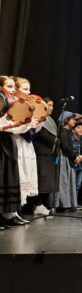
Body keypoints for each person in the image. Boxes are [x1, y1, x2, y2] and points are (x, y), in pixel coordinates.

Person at [0, 76, 29, 227]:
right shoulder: (2, 101)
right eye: (9, 86)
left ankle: (9, 214)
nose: (13, 90)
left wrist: (22, 124)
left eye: (13, 86)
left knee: (8, 178)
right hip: (2, 140)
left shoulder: (7, 102)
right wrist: (11, 125)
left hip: (7, 140)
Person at [13, 77, 41, 208]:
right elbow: (13, 128)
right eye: (25, 89)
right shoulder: (13, 105)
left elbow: (33, 129)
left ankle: (16, 210)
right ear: (16, 89)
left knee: (26, 173)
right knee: (19, 174)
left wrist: (36, 122)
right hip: (16, 142)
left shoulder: (27, 106)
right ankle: (11, 211)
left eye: (29, 89)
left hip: (26, 144)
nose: (28, 92)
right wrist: (28, 125)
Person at [48, 112, 82, 211]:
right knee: (62, 181)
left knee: (67, 181)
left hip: (68, 157)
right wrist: (74, 157)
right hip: (63, 158)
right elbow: (66, 147)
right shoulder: (63, 131)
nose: (74, 121)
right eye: (73, 119)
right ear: (66, 120)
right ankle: (60, 204)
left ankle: (67, 203)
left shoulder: (68, 131)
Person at [31, 97, 56, 216]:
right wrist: (57, 142)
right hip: (41, 154)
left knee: (47, 181)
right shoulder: (39, 118)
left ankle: (43, 204)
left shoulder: (50, 119)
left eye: (52, 105)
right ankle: (38, 204)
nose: (51, 107)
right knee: (42, 180)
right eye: (49, 105)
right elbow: (43, 135)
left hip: (49, 154)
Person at [72, 121, 82, 209]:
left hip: (80, 166)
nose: (80, 130)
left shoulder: (81, 140)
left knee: (77, 185)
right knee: (72, 185)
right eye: (78, 128)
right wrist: (78, 157)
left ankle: (75, 203)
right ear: (73, 130)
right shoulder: (71, 139)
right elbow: (70, 152)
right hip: (73, 165)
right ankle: (71, 203)